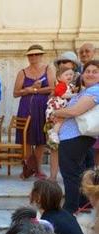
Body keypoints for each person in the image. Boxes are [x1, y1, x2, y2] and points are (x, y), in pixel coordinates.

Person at [53, 60, 99, 214]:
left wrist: (56, 112)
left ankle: (70, 209)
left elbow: (74, 112)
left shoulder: (95, 91)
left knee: (70, 174)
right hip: (76, 137)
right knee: (81, 173)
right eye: (88, 71)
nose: (90, 74)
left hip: (76, 137)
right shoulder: (85, 91)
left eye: (95, 71)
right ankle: (83, 205)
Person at [13, 44, 55, 179]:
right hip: (26, 108)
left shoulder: (48, 69)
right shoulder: (22, 72)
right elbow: (15, 93)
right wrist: (30, 89)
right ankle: (27, 167)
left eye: (37, 54)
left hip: (42, 108)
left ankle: (38, 168)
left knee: (40, 139)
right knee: (27, 138)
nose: (34, 57)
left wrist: (36, 90)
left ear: (41, 55)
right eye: (31, 55)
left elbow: (53, 88)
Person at [45, 67, 75, 149]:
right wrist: (74, 95)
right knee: (59, 120)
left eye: (71, 74)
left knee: (61, 120)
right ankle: (53, 132)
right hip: (57, 106)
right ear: (59, 77)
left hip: (61, 106)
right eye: (66, 75)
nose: (69, 76)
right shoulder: (61, 85)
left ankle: (54, 132)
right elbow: (62, 95)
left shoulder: (69, 85)